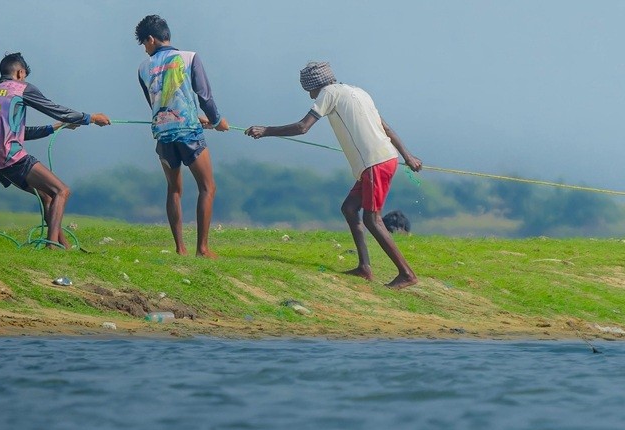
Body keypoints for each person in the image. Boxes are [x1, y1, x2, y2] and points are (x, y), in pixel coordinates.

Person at [245, 61, 422, 289]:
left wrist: (266, 131)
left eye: (309, 91)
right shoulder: (359, 92)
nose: (310, 96)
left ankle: (406, 274)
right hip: (381, 159)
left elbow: (303, 127)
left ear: (315, 85)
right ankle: (365, 268)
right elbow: (385, 128)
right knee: (349, 208)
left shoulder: (327, 93)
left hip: (375, 162)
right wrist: (407, 156)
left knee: (372, 219)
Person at [0, 52, 111, 249]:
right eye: (24, 76)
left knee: (47, 196)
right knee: (62, 191)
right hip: (11, 156)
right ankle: (50, 246)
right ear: (20, 73)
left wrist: (54, 127)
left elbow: (18, 132)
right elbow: (54, 108)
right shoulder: (20, 88)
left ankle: (63, 246)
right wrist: (90, 118)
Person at [135, 14, 229, 257]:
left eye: (144, 44)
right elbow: (204, 96)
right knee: (208, 187)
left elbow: (157, 104)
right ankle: (203, 248)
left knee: (174, 190)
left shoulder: (143, 68)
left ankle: (180, 249)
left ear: (151, 39)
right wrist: (218, 121)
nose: (145, 49)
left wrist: (198, 116)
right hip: (189, 134)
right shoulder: (189, 58)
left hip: (163, 136)